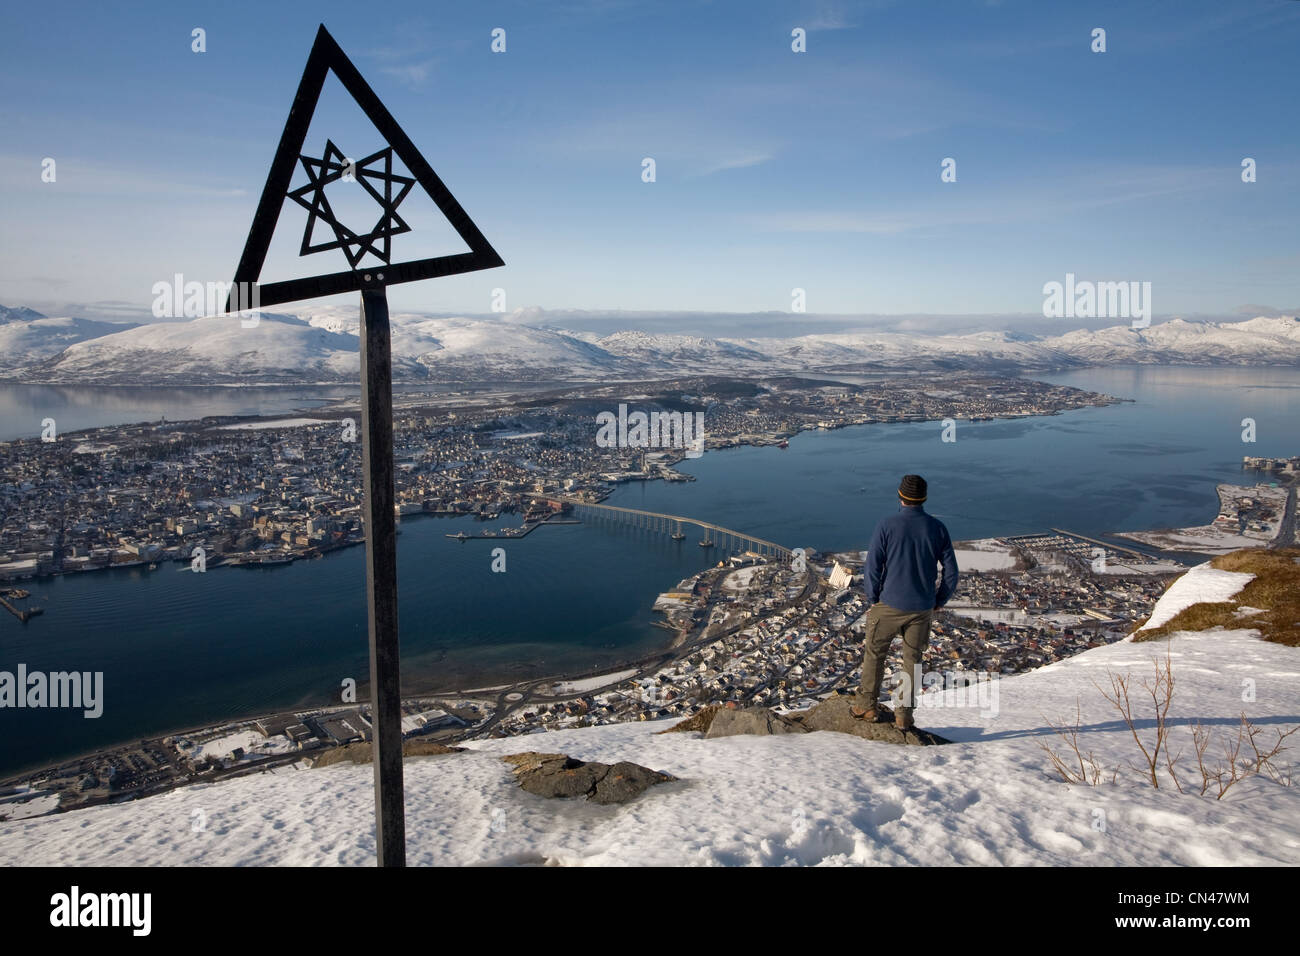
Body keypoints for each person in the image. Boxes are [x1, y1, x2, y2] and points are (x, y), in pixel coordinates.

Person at [852, 474, 959, 731]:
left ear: (900, 496)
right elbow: (952, 572)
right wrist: (939, 599)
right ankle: (904, 716)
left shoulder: (887, 525)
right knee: (913, 660)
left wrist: (873, 597)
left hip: (889, 603)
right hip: (921, 607)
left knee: (875, 654)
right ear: (924, 498)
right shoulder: (937, 528)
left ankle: (867, 705)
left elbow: (873, 566)